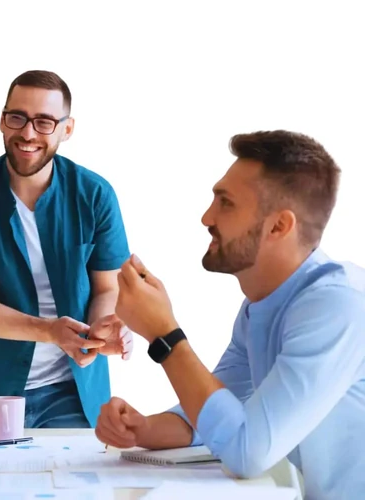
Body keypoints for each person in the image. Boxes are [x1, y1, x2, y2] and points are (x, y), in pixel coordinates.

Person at [97, 130, 365, 499]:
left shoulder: (337, 307)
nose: (207, 217)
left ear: (278, 226)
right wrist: (144, 429)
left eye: (226, 203)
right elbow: (220, 404)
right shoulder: (262, 306)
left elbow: (247, 451)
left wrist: (165, 335)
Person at [0, 70, 133, 430]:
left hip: (74, 390)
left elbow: (108, 287)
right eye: (17, 118)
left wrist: (100, 329)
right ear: (2, 121)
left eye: (44, 122)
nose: (27, 133)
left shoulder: (96, 195)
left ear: (66, 130)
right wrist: (50, 331)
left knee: (77, 485)